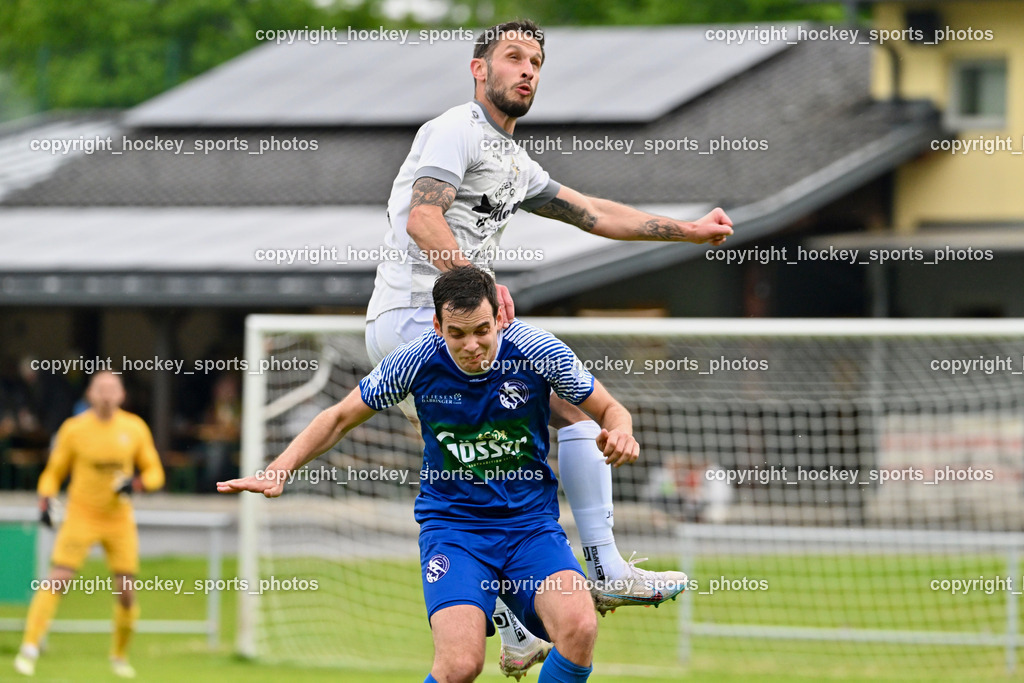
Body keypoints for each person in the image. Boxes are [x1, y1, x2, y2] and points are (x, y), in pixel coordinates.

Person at [363, 17, 732, 676]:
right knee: (573, 411)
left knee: (522, 445)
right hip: (417, 322)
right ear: (479, 69)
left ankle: (511, 624)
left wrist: (688, 231)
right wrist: (472, 289)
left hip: (450, 320)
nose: (527, 69)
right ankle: (606, 565)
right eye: (512, 56)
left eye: (536, 59)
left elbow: (593, 212)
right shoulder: (454, 129)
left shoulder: (512, 160)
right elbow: (422, 216)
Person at [220, 266, 676, 682]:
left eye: (482, 330)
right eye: (458, 334)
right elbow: (339, 417)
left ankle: (596, 573)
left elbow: (609, 409)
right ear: (438, 327)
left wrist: (622, 432)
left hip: (530, 530)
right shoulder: (415, 361)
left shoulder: (538, 350)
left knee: (579, 628)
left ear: (499, 318)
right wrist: (279, 469)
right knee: (460, 665)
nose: (472, 345)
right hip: (455, 533)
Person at [13, 371, 165, 679]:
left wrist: (135, 484)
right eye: (101, 389)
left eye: (113, 389)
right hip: (81, 514)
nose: (107, 395)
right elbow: (53, 472)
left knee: (126, 591)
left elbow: (155, 473)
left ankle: (119, 656)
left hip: (118, 518)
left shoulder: (134, 428)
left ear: (122, 395)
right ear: (90, 394)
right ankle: (29, 648)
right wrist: (45, 499)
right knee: (59, 578)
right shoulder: (74, 429)